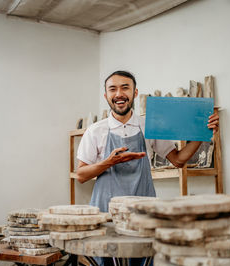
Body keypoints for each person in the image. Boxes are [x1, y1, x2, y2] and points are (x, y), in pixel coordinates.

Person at [76, 70, 219, 212]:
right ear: (106, 96)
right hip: (105, 210)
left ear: (135, 93)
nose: (119, 94)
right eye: (113, 89)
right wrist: (110, 162)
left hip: (143, 210)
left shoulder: (149, 126)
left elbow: (178, 160)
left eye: (125, 88)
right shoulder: (94, 130)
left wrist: (202, 133)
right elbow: (81, 175)